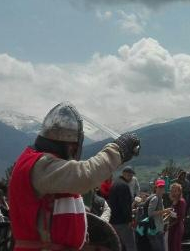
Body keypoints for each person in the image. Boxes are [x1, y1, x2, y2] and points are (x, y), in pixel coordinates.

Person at [7, 102, 141, 251]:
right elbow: (85, 176)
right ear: (69, 144)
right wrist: (118, 150)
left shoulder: (51, 167)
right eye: (73, 146)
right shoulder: (37, 165)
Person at [109, 168, 137, 251]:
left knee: (118, 245)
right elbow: (125, 205)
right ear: (126, 175)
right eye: (130, 176)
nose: (131, 178)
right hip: (122, 222)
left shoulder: (115, 184)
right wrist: (129, 220)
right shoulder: (124, 186)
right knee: (131, 245)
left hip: (113, 220)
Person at [146, 180, 169, 251]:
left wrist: (168, 213)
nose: (161, 189)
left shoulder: (160, 199)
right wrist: (164, 211)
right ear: (156, 188)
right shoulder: (155, 199)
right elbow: (150, 213)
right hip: (154, 230)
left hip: (159, 229)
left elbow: (159, 215)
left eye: (162, 187)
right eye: (159, 187)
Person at [167, 183, 186, 251]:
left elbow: (180, 216)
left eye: (175, 191)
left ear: (179, 191)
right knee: (171, 245)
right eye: (172, 191)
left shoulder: (181, 201)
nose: (173, 193)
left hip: (178, 226)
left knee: (176, 246)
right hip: (172, 226)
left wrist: (170, 212)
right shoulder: (174, 201)